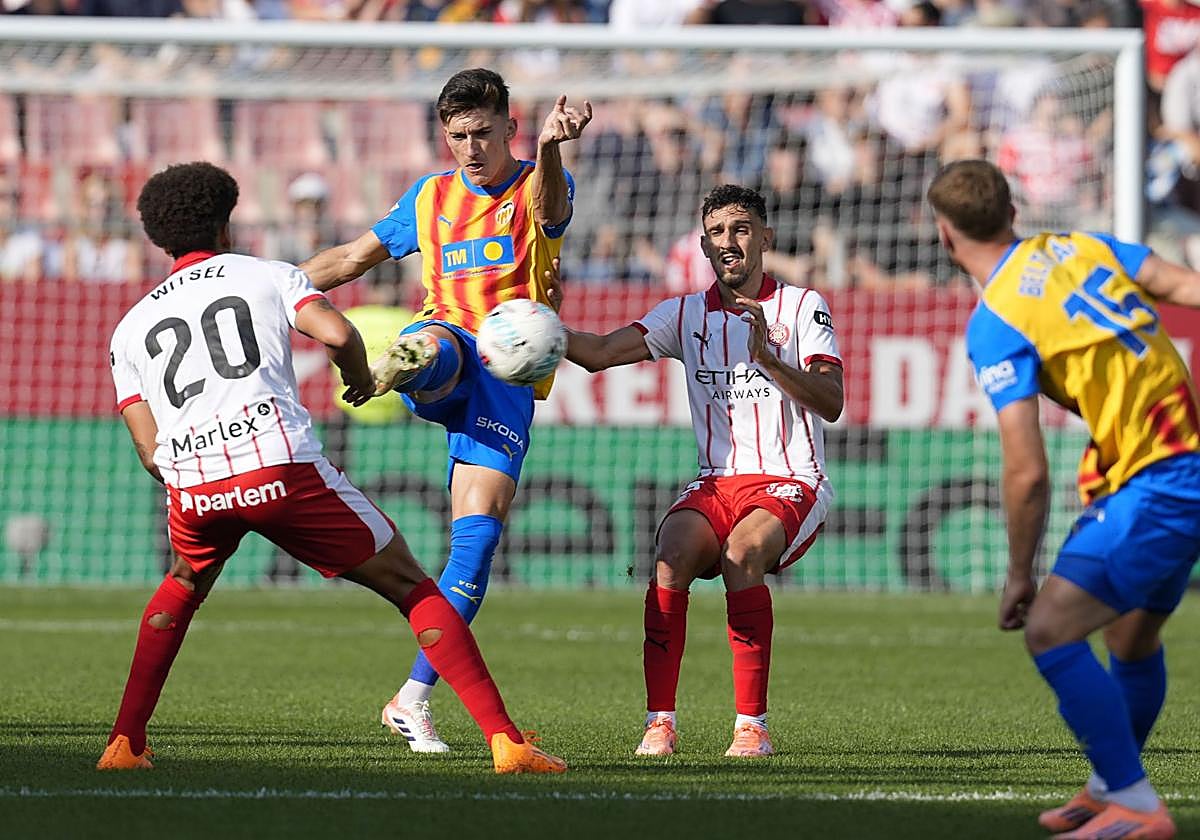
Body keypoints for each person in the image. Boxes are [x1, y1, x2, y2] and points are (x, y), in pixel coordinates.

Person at [97, 161, 565, 775]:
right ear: (226, 224)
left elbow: (148, 449)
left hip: (194, 484)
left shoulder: (128, 328)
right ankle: (507, 742)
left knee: (182, 585)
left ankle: (124, 745)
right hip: (280, 467)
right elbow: (339, 333)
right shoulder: (266, 274)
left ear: (158, 238)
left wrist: (201, 471)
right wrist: (361, 377)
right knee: (413, 587)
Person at [300, 68, 590, 753]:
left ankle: (410, 698)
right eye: (457, 136)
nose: (470, 148)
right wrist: (267, 285)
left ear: (510, 127)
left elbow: (552, 211)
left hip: (508, 379)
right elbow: (352, 258)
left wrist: (552, 147)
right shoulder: (429, 198)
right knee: (438, 344)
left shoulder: (539, 181)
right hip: (451, 339)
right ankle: (402, 364)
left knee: (476, 544)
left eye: (482, 133)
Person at [927, 159, 1200, 839]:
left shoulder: (997, 320)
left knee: (1050, 630)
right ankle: (1111, 787)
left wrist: (1020, 573)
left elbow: (1026, 471)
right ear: (1013, 213)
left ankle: (1137, 805)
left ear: (944, 235)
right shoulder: (1079, 246)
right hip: (1172, 462)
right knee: (1129, 636)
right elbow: (1180, 284)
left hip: (1163, 477)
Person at [563, 184, 844, 758]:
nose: (728, 242)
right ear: (704, 245)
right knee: (670, 553)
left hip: (792, 477)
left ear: (765, 238)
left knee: (742, 553)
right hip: (717, 479)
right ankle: (659, 724)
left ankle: (752, 727)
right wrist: (540, 330)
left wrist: (767, 358)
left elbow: (832, 401)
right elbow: (599, 353)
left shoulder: (801, 306)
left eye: (741, 229)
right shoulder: (684, 313)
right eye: (717, 232)